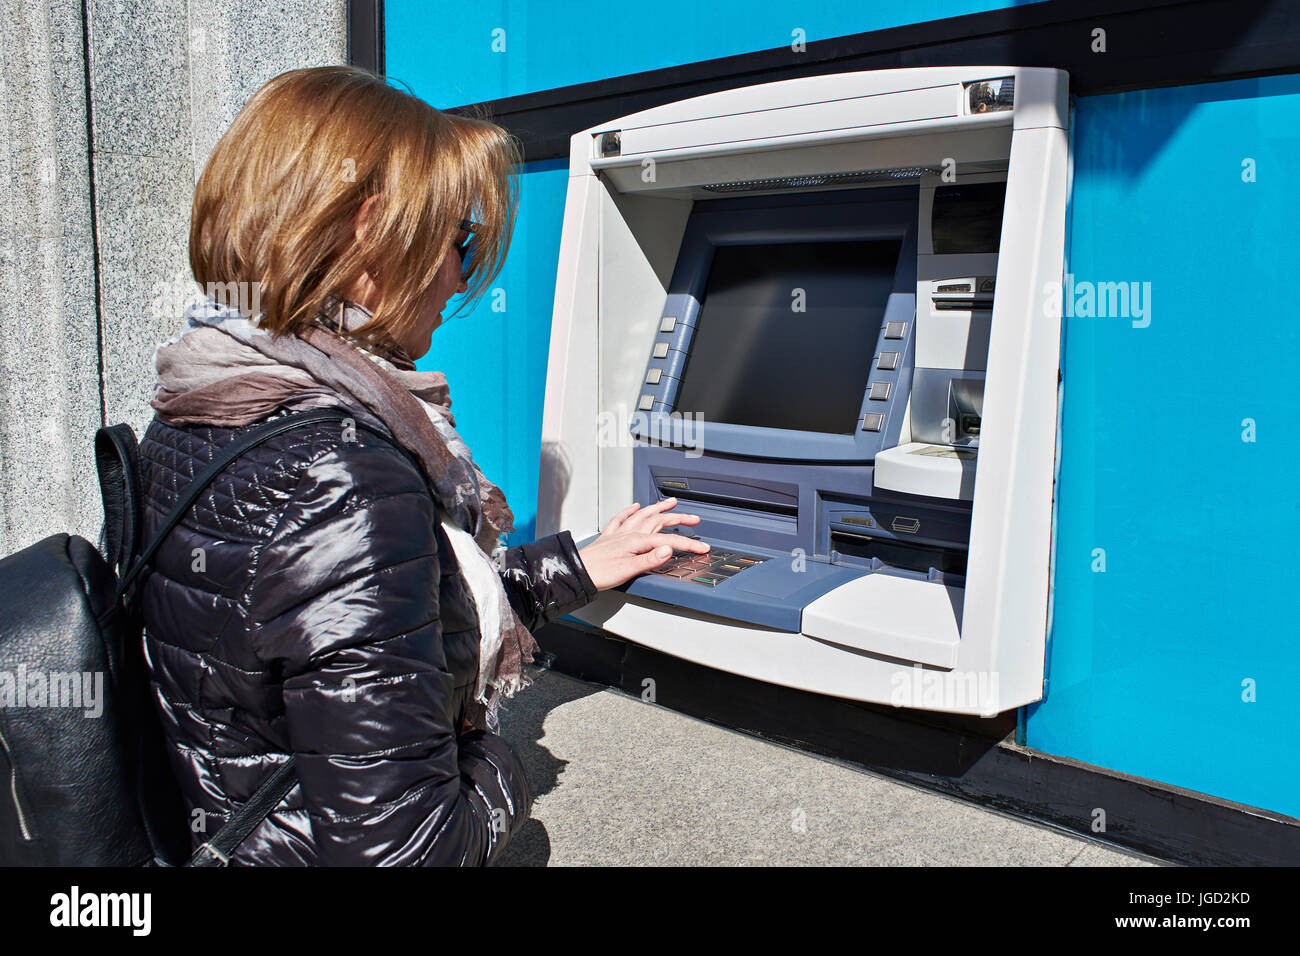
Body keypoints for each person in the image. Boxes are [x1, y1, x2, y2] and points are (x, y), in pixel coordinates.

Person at [137, 65, 710, 866]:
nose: (461, 277)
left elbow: (377, 623)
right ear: (371, 232)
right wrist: (514, 766)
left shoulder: (203, 405)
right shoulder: (341, 475)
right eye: (456, 242)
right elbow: (410, 851)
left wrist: (576, 564)